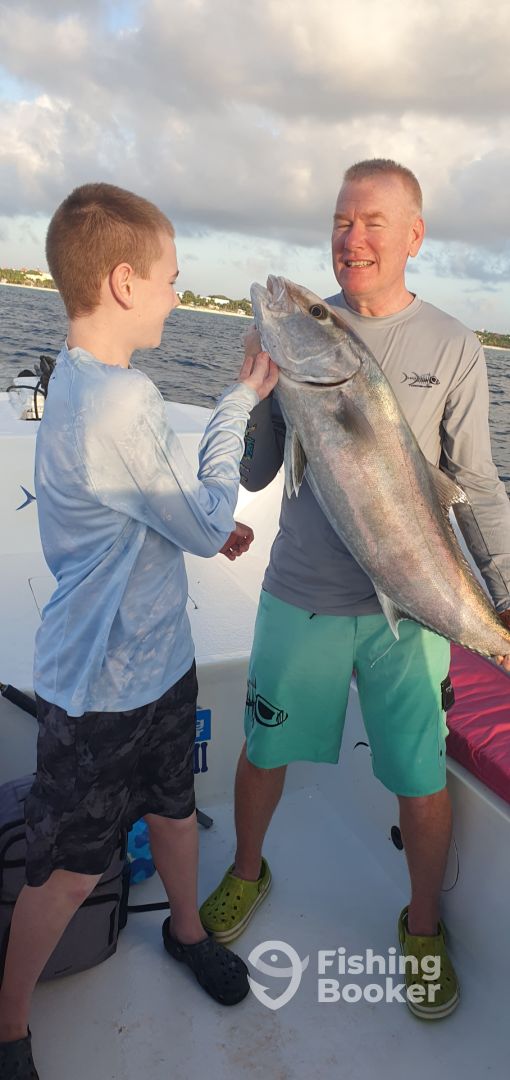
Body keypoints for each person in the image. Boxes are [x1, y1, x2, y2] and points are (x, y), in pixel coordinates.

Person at [200, 159, 510, 1020]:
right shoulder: (299, 342)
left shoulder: (452, 345)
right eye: (342, 221)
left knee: (419, 773)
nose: (353, 238)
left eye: (374, 222)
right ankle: (248, 870)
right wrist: (252, 389)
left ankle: (423, 923)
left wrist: (503, 597)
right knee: (264, 750)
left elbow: (475, 485)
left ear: (415, 235)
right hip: (300, 590)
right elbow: (257, 475)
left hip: (411, 614)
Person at [0, 182, 278, 1079]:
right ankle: (8, 1025)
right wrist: (238, 403)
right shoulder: (121, 399)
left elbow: (143, 506)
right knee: (70, 870)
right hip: (101, 691)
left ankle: (185, 933)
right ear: (124, 282)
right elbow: (199, 518)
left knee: (173, 809)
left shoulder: (83, 377)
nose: (175, 294)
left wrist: (195, 523)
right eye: (170, 278)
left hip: (159, 665)